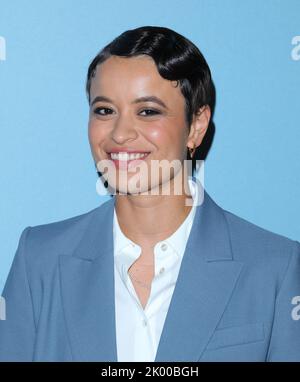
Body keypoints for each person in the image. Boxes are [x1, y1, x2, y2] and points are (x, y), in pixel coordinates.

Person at [0, 26, 299, 362]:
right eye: (104, 110)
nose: (120, 133)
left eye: (148, 111)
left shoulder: (276, 267)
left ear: (197, 126)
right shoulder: (39, 258)